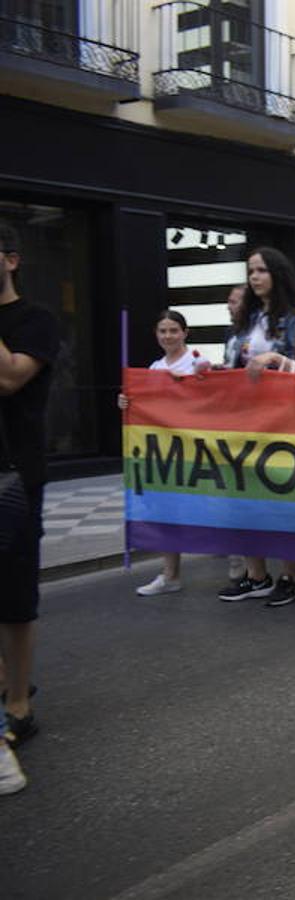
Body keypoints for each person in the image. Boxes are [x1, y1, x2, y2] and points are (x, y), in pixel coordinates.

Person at [217, 247, 295, 607]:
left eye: (261, 270)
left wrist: (278, 360)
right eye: (250, 270)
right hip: (243, 425)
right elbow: (235, 371)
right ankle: (256, 575)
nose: (254, 277)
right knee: (243, 501)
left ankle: (290, 577)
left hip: (283, 427)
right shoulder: (243, 324)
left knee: (284, 503)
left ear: (277, 274)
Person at [0, 223, 61, 790]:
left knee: (15, 594)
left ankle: (19, 703)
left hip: (14, 475)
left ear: (11, 260)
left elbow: (10, 377)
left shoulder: (35, 320)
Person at [119, 310, 211, 597]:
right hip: (164, 455)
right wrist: (127, 402)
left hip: (196, 452)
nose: (168, 336)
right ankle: (170, 574)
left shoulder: (196, 361)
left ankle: (236, 563)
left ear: (185, 332)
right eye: (163, 331)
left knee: (212, 508)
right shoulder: (155, 367)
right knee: (165, 512)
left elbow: (210, 393)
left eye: (173, 330)